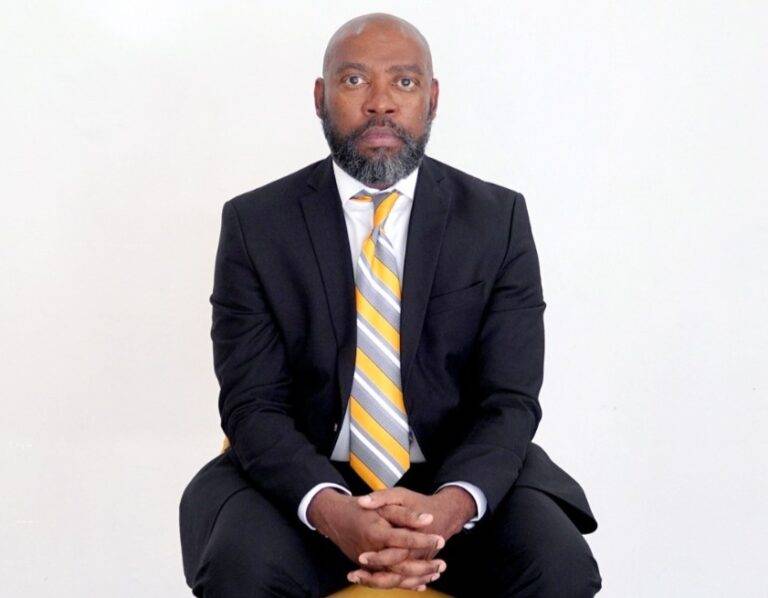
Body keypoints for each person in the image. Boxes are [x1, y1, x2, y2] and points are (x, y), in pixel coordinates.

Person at [179, 12, 602, 597]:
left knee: (558, 568)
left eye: (403, 82)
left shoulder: (496, 220)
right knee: (240, 569)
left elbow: (509, 400)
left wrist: (444, 511)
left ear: (432, 99)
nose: (380, 103)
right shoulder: (257, 225)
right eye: (354, 80)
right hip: (302, 488)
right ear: (320, 98)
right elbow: (253, 404)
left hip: (460, 484)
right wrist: (332, 511)